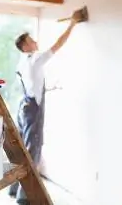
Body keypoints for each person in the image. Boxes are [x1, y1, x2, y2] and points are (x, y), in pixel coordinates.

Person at [9, 11, 82, 204]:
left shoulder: (24, 61)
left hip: (24, 106)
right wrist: (73, 23)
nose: (35, 41)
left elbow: (32, 84)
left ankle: (15, 187)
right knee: (33, 149)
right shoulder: (35, 59)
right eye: (31, 40)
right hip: (32, 109)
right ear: (25, 46)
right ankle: (24, 197)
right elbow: (57, 45)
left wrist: (49, 88)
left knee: (24, 148)